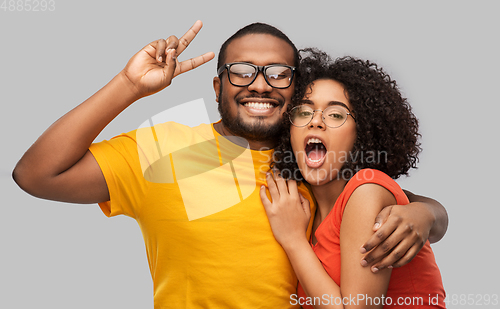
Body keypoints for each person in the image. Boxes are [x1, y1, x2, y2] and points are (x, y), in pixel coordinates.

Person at [12, 21, 448, 308]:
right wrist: (128, 86)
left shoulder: (311, 161)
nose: (259, 84)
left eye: (278, 73)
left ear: (296, 90)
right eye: (242, 71)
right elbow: (35, 174)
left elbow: (383, 201)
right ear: (218, 84)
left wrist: (424, 214)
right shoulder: (164, 149)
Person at [261, 49, 446, 308]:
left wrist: (293, 241)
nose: (316, 121)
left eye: (335, 114)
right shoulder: (302, 208)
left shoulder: (366, 190)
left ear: (362, 133)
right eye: (304, 112)